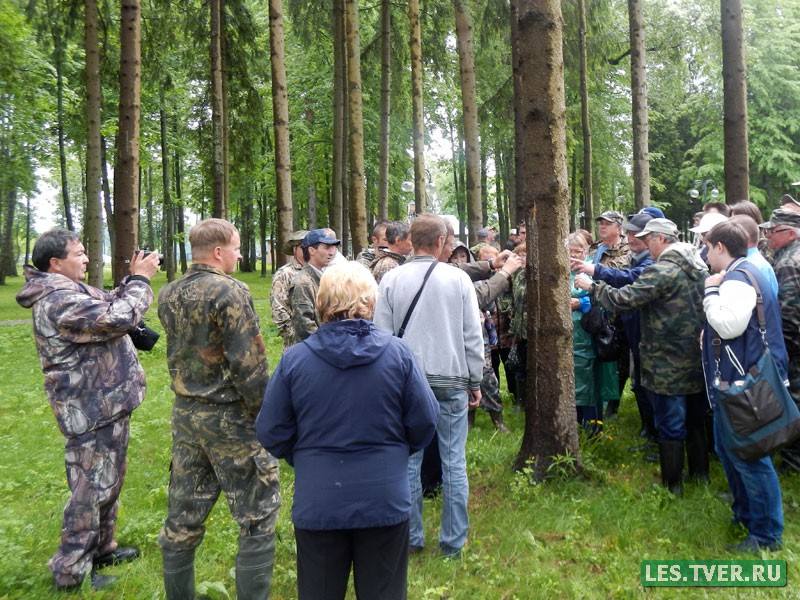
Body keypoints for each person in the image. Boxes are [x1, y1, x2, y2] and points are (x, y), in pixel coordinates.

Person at [257, 261, 439, 599]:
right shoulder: (398, 355)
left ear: (322, 303)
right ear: (370, 303)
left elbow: (271, 429)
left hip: (320, 499)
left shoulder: (296, 360)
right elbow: (425, 420)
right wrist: (396, 451)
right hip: (384, 497)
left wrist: (306, 456)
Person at [16, 229, 160, 592]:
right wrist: (142, 280)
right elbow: (118, 316)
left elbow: (109, 300)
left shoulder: (71, 290)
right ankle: (71, 571)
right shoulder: (57, 299)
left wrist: (130, 278)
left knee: (108, 483)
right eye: (79, 254)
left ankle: (102, 548)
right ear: (55, 262)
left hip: (107, 402)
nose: (86, 259)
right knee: (88, 491)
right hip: (88, 408)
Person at [157, 219, 281, 600]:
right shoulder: (230, 292)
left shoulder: (169, 293)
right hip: (230, 420)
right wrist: (267, 416)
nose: (240, 254)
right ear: (217, 251)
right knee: (258, 514)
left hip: (187, 416)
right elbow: (249, 364)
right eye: (237, 247)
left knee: (183, 515)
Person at [374, 214, 484, 559]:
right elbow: (472, 335)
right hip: (451, 380)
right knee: (453, 461)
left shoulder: (391, 279)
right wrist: (475, 380)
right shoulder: (458, 280)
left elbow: (382, 337)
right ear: (440, 242)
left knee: (409, 461)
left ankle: (410, 537)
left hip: (407, 383)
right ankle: (453, 543)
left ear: (412, 240)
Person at [575, 218, 708, 495]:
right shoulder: (698, 266)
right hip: (695, 355)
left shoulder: (663, 271)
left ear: (661, 239)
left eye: (649, 240)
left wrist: (592, 287)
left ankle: (672, 486)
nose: (646, 245)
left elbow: (625, 300)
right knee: (695, 417)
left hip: (666, 358)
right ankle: (700, 475)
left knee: (670, 422)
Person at [701, 220, 786, 553]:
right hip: (737, 382)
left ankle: (766, 535)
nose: (706, 254)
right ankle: (745, 513)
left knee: (751, 458)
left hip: (743, 384)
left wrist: (710, 291)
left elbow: (729, 325)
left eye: (708, 247)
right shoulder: (745, 270)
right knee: (728, 450)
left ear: (721, 247)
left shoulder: (736, 278)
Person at [572, 213, 657, 454]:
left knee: (646, 384)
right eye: (629, 233)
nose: (630, 238)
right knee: (639, 383)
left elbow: (626, 280)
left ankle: (658, 437)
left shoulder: (648, 262)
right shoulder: (633, 256)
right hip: (626, 326)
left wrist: (592, 276)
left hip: (634, 328)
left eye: (635, 234)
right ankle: (651, 432)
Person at [760, 209, 800, 471]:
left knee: (794, 398)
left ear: (791, 233)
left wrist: (780, 351)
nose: (767, 236)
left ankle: (793, 460)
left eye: (772, 231)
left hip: (794, 347)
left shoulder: (788, 262)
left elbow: (789, 313)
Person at [590, 210, 628, 419]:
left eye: (607, 223)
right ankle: (598, 397)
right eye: (600, 223)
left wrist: (589, 267)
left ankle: (613, 404)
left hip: (615, 309)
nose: (602, 226)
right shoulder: (595, 247)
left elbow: (618, 270)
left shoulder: (625, 248)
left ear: (618, 227)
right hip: (593, 307)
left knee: (617, 359)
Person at [290, 229, 342, 343]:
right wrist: (328, 344)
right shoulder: (303, 282)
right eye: (327, 247)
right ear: (312, 250)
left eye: (333, 247)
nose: (332, 252)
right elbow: (304, 325)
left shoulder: (323, 277)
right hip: (315, 351)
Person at [270, 229, 308, 348]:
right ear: (295, 249)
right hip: (296, 343)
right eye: (303, 246)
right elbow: (278, 308)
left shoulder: (319, 271)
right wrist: (293, 334)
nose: (307, 250)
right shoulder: (284, 274)